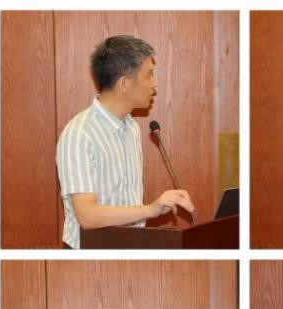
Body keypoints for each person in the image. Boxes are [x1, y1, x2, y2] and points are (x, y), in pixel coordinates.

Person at [57, 35, 194, 248]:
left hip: (130, 249)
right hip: (88, 256)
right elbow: (87, 216)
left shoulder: (132, 128)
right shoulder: (79, 134)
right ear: (124, 83)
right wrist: (149, 209)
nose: (155, 84)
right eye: (149, 75)